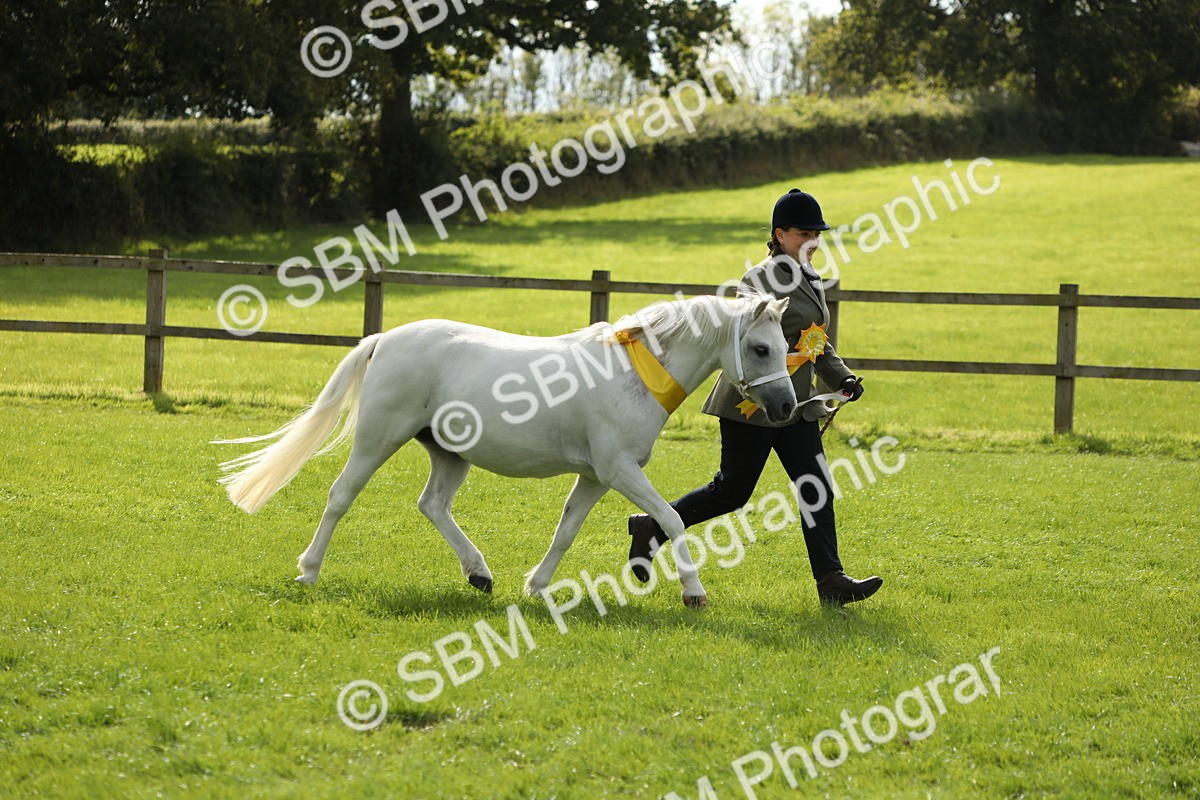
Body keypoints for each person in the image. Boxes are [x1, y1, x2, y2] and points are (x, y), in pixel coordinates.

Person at [627, 188, 883, 605]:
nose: (814, 241)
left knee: (815, 487)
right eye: (804, 233)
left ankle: (831, 582)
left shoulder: (809, 275)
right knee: (732, 492)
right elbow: (753, 342)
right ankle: (653, 526)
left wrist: (842, 376)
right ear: (779, 234)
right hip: (752, 405)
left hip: (796, 407)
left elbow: (813, 340)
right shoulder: (759, 280)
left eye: (817, 233)